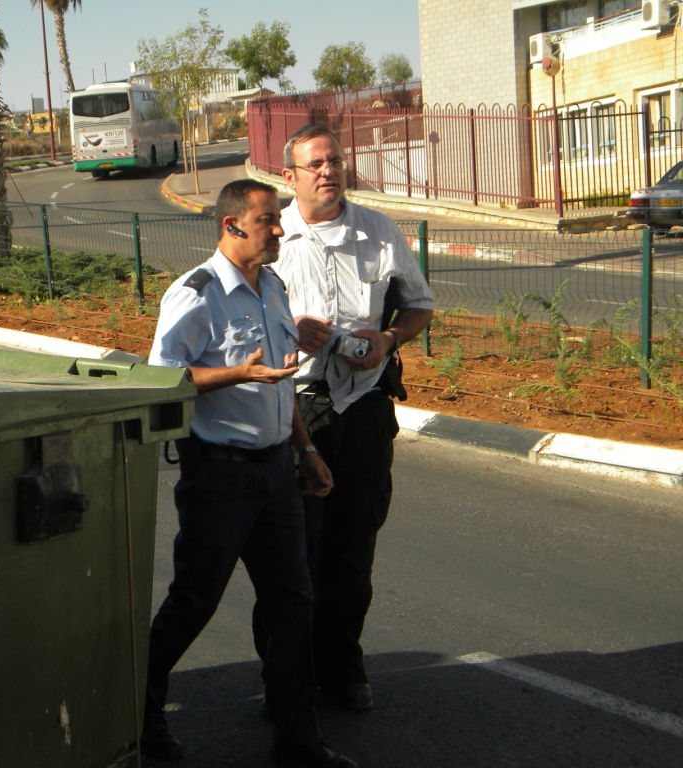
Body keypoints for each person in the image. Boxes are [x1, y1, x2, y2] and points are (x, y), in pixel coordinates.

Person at [141, 179, 357, 768]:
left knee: (292, 602)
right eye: (267, 221)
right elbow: (162, 382)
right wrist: (236, 374)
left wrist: (306, 449)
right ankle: (139, 707)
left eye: (277, 220)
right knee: (194, 601)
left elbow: (279, 379)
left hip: (275, 473)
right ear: (232, 225)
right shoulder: (197, 293)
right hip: (220, 477)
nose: (280, 230)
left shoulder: (274, 286)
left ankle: (298, 741)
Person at [269, 124, 435, 712]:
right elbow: (235, 318)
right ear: (289, 176)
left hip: (363, 409)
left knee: (353, 548)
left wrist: (388, 338)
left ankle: (343, 668)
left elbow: (420, 305)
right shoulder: (273, 238)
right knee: (297, 554)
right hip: (297, 409)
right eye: (313, 164)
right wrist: (291, 333)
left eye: (334, 161)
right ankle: (290, 683)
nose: (327, 171)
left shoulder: (379, 231)